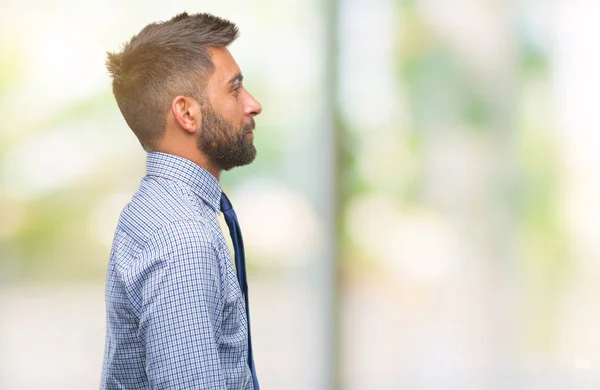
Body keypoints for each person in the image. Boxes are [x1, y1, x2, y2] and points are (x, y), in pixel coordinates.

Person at [100, 12, 262, 389]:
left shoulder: (156, 208)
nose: (253, 104)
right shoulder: (184, 237)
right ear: (187, 113)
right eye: (235, 89)